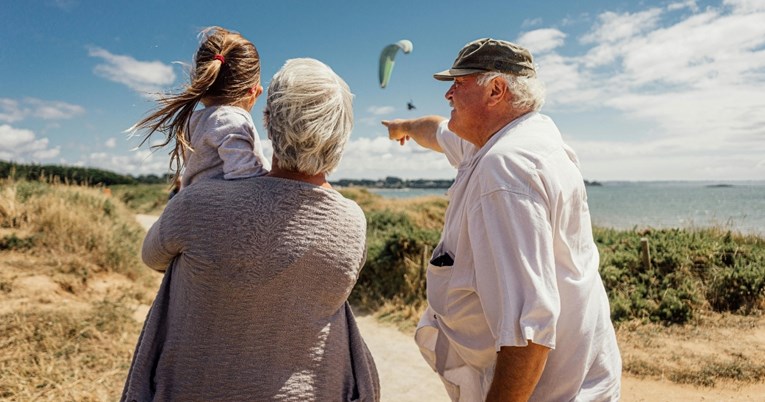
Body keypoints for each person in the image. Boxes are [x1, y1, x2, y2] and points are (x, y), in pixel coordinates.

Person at [122, 58, 380, 401]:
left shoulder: (198, 203)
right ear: (342, 133)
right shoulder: (352, 221)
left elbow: (152, 256)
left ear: (268, 122)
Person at [382, 38, 621, 401]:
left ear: (496, 90)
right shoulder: (516, 137)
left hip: (547, 393)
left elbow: (529, 333)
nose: (448, 95)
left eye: (458, 83)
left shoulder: (505, 169)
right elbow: (437, 131)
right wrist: (404, 126)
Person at [131, 26, 270, 190]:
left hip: (193, 204)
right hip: (218, 211)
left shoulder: (193, 121)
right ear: (254, 92)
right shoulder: (231, 120)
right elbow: (245, 177)